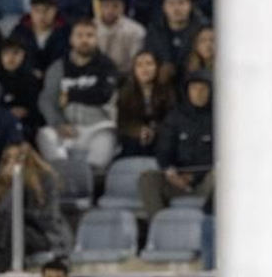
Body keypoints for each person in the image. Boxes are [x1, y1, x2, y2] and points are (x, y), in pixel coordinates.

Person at [37, 19, 120, 172]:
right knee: (45, 134)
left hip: (98, 128)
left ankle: (91, 179)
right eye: (79, 35)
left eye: (89, 35)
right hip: (67, 128)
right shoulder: (58, 67)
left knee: (104, 144)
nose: (84, 40)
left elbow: (102, 94)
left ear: (97, 39)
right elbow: (47, 100)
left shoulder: (107, 66)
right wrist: (58, 123)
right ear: (71, 39)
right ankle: (62, 176)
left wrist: (70, 94)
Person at [138, 70, 214, 215]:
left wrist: (194, 177)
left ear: (211, 91)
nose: (199, 93)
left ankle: (206, 223)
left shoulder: (221, 117)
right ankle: (159, 224)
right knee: (147, 178)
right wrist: (171, 174)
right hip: (177, 182)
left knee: (220, 176)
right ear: (187, 91)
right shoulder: (174, 117)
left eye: (203, 88)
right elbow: (164, 151)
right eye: (194, 88)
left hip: (205, 183)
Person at [0, 141, 71, 264]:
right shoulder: (1, 183)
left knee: (13, 230)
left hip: (45, 235)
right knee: (3, 230)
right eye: (7, 159)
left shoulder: (45, 179)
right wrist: (13, 184)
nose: (12, 163)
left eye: (17, 158)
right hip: (11, 234)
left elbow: (47, 216)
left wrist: (19, 183)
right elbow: (1, 213)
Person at [116, 50, 174, 158]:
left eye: (149, 64)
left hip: (161, 135)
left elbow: (172, 119)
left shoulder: (167, 90)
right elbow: (122, 122)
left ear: (157, 67)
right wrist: (139, 131)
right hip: (133, 137)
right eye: (139, 65)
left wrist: (154, 130)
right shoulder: (125, 91)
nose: (144, 69)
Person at [93, 0, 145, 75]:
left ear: (123, 7)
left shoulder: (135, 30)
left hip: (125, 75)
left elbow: (136, 60)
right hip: (95, 75)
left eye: (115, 6)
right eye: (106, 6)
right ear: (99, 7)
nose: (110, 10)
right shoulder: (91, 28)